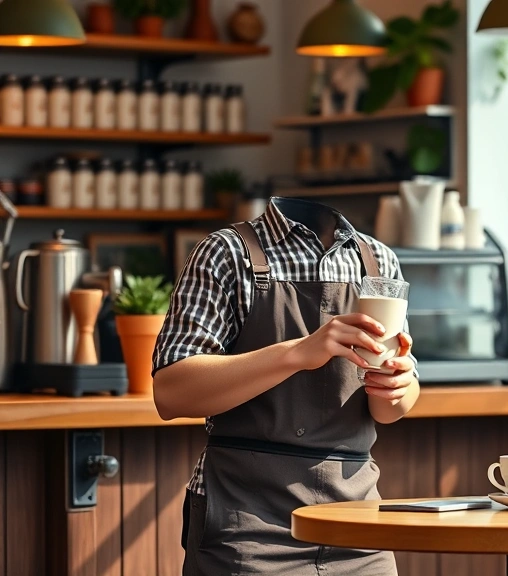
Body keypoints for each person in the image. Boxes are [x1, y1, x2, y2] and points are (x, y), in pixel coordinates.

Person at [152, 196, 419, 575]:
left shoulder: (378, 259)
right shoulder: (226, 252)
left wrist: (399, 385)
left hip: (358, 523)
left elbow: (391, 408)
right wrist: (298, 352)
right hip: (247, 523)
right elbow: (171, 392)